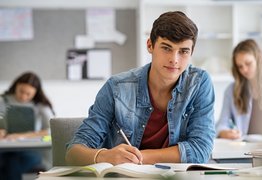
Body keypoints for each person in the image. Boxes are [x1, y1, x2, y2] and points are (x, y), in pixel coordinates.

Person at [65, 11, 215, 166]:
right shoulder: (116, 88)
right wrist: (105, 156)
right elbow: (73, 152)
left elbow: (201, 150)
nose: (174, 60)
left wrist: (138, 158)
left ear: (192, 53)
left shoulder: (199, 83)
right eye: (166, 48)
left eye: (183, 51)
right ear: (150, 45)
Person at [0, 71, 55, 180]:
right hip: (5, 149)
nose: (23, 96)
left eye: (28, 94)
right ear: (16, 86)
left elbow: (51, 129)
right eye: (21, 91)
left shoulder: (40, 105)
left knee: (11, 164)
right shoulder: (3, 100)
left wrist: (21, 136)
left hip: (31, 151)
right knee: (7, 162)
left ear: (35, 93)